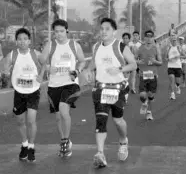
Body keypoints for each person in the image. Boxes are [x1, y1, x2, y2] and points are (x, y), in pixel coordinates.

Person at [85, 18, 137, 168]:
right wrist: (89, 70)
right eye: (101, 29)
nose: (103, 31)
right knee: (101, 120)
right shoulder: (96, 47)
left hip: (118, 89)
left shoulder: (120, 46)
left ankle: (123, 141)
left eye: (107, 29)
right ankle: (100, 153)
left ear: (114, 31)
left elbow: (133, 64)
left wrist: (119, 69)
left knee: (117, 120)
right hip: (101, 88)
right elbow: (93, 63)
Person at [39, 19, 86, 157]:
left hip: (70, 84)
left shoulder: (74, 45)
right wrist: (47, 66)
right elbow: (41, 60)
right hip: (54, 85)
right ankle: (64, 139)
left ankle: (65, 142)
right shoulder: (51, 45)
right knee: (58, 117)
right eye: (56, 32)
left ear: (67, 31)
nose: (58, 34)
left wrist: (77, 71)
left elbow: (82, 61)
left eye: (61, 31)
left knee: (64, 110)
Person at [4, 28, 45, 162]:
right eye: (19, 39)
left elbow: (45, 63)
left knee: (31, 120)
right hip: (19, 92)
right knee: (20, 121)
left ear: (29, 41)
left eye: (25, 39)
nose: (22, 41)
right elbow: (4, 66)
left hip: (33, 91)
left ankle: (32, 147)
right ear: (16, 41)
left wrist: (41, 75)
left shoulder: (35, 54)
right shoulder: (12, 55)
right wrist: (5, 71)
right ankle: (24, 145)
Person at [136, 30, 162, 120]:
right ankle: (144, 103)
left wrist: (155, 61)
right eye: (147, 36)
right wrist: (138, 61)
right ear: (144, 38)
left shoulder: (156, 48)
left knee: (151, 95)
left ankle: (149, 113)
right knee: (142, 95)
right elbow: (133, 60)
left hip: (153, 75)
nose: (149, 38)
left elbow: (161, 62)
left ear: (153, 38)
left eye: (151, 36)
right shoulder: (140, 48)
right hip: (143, 75)